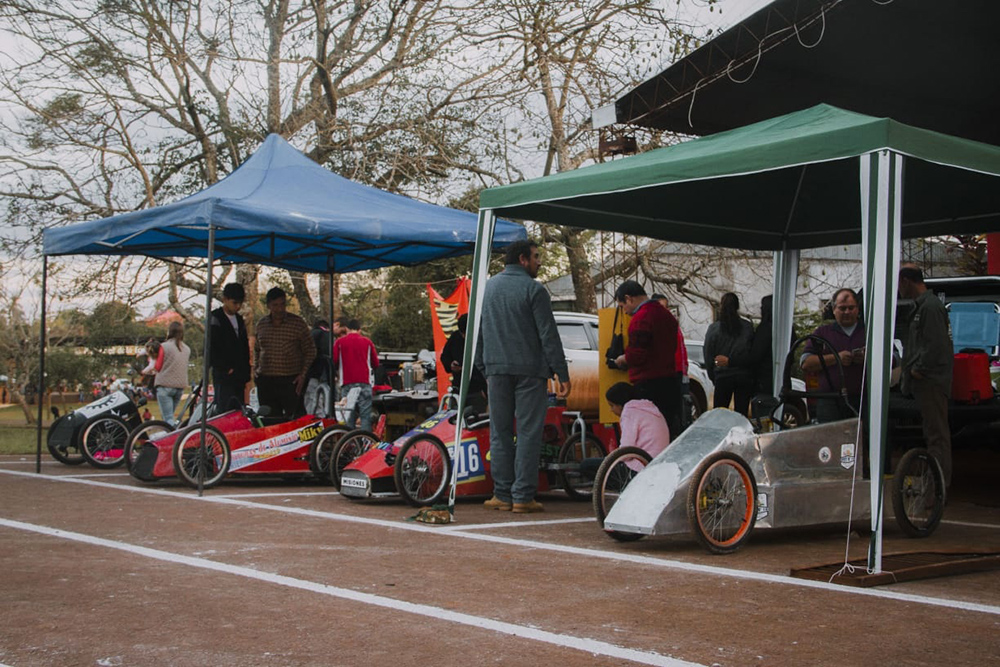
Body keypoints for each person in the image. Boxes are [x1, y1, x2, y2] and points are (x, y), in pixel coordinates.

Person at [476, 239, 570, 514]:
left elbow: (480, 330)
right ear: (522, 259)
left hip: (496, 370)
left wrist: (484, 368)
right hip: (530, 371)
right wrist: (560, 372)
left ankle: (502, 494)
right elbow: (548, 334)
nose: (539, 261)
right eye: (536, 257)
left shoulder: (490, 287)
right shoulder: (534, 290)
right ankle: (522, 496)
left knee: (500, 433)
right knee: (528, 433)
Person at [898, 263, 954, 487]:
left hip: (931, 381)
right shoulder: (922, 306)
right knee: (932, 434)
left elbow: (935, 346)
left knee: (937, 436)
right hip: (925, 382)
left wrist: (917, 370)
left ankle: (938, 487)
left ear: (905, 281)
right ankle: (935, 483)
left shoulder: (929, 307)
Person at [613, 281, 681, 435]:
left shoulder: (641, 319)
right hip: (670, 380)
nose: (624, 312)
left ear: (629, 298)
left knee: (650, 430)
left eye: (622, 306)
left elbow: (637, 355)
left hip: (648, 384)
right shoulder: (666, 314)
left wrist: (623, 359)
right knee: (667, 429)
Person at [801, 288, 866, 423]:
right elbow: (806, 363)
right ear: (834, 309)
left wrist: (869, 358)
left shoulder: (869, 331)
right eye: (842, 308)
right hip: (830, 401)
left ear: (858, 309)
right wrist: (836, 358)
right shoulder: (822, 333)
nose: (847, 312)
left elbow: (894, 359)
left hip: (864, 400)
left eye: (851, 308)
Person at [254, 287, 316, 418]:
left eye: (282, 304)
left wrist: (303, 374)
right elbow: (257, 349)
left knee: (295, 419)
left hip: (290, 380)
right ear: (269, 306)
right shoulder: (261, 324)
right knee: (270, 420)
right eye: (275, 305)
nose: (279, 309)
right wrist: (255, 371)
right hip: (266, 380)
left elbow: (310, 350)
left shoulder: (297, 323)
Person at [704, 292, 755, 416]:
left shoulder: (714, 329)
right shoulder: (747, 327)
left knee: (720, 414)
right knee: (741, 414)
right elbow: (751, 353)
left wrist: (713, 374)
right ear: (737, 307)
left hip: (722, 376)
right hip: (743, 376)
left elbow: (708, 354)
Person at [209, 282, 251, 413]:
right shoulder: (215, 317)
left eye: (240, 303)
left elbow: (244, 346)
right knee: (224, 408)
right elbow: (212, 346)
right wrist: (225, 368)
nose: (237, 307)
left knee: (238, 409)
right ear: (225, 299)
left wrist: (245, 371)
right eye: (234, 303)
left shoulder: (239, 319)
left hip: (239, 374)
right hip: (224, 375)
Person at [332, 319, 379, 431]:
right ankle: (367, 442)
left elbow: (334, 361)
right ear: (359, 329)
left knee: (349, 417)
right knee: (365, 417)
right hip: (364, 382)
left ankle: (349, 443)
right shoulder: (367, 342)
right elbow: (375, 363)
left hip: (347, 383)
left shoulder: (339, 342)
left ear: (346, 329)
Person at [651, 293, 690, 425]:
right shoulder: (654, 326)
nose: (666, 311)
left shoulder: (672, 325)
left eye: (667, 307)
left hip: (678, 371)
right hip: (667, 372)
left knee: (679, 408)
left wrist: (685, 369)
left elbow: (681, 348)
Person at [440, 313, 487, 411]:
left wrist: (485, 389)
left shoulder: (482, 339)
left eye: (466, 333)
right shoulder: (455, 338)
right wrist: (450, 365)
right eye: (462, 334)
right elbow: (444, 356)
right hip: (458, 389)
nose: (464, 336)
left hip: (477, 390)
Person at [154, 321, 191, 427]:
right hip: (180, 386)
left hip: (165, 385)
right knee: (170, 416)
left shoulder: (164, 346)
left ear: (169, 332)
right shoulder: (187, 349)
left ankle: (173, 438)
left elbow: (158, 366)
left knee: (168, 418)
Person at [304, 319, 333, 417]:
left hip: (308, 372)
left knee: (310, 396)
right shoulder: (324, 335)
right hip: (320, 371)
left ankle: (310, 416)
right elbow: (328, 354)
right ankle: (318, 417)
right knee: (318, 396)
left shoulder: (310, 335)